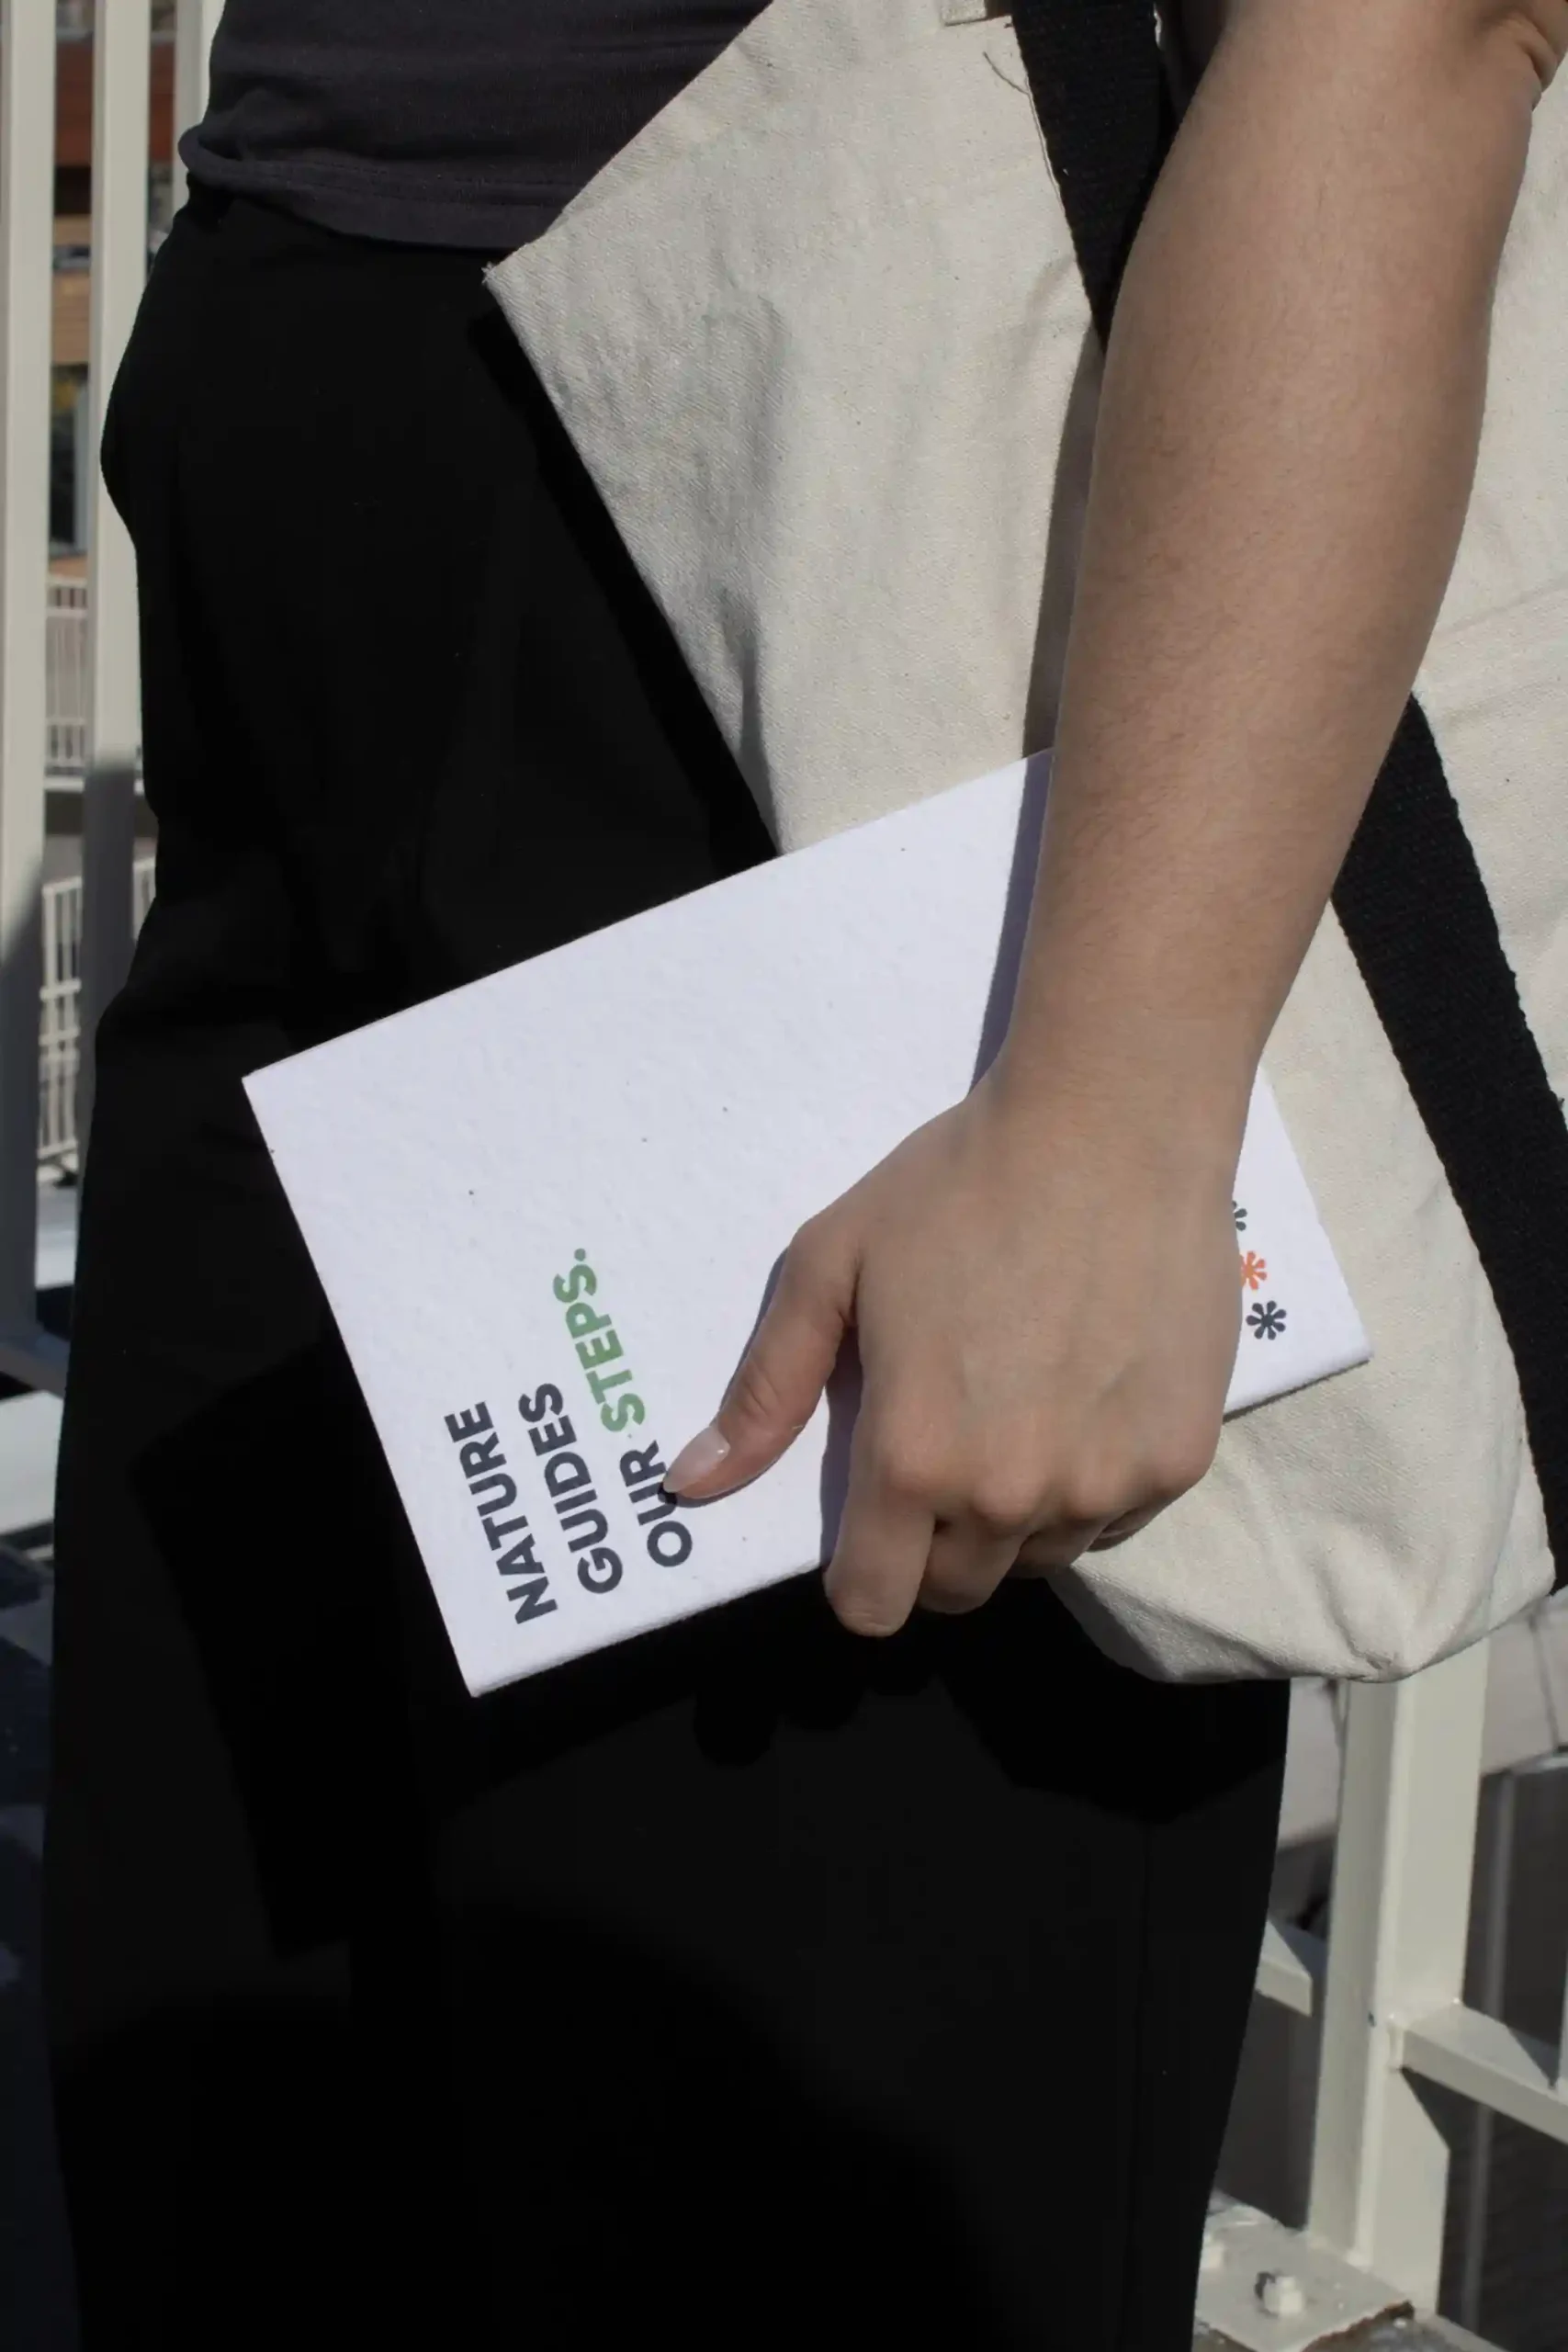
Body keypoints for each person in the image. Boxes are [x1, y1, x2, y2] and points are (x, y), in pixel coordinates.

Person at [43, 2, 1565, 2345]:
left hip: (835, 572)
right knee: (235, 2153)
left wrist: (1117, 1082)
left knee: (761, 2208)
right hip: (321, 454)